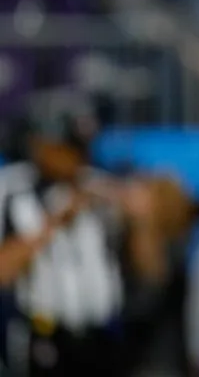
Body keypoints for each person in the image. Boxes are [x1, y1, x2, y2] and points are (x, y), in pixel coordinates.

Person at [0, 91, 159, 377]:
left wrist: (141, 222)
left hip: (103, 338)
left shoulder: (99, 186)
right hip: (44, 337)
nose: (78, 157)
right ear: (40, 143)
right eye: (69, 147)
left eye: (82, 147)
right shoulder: (12, 190)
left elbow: (149, 270)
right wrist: (55, 221)